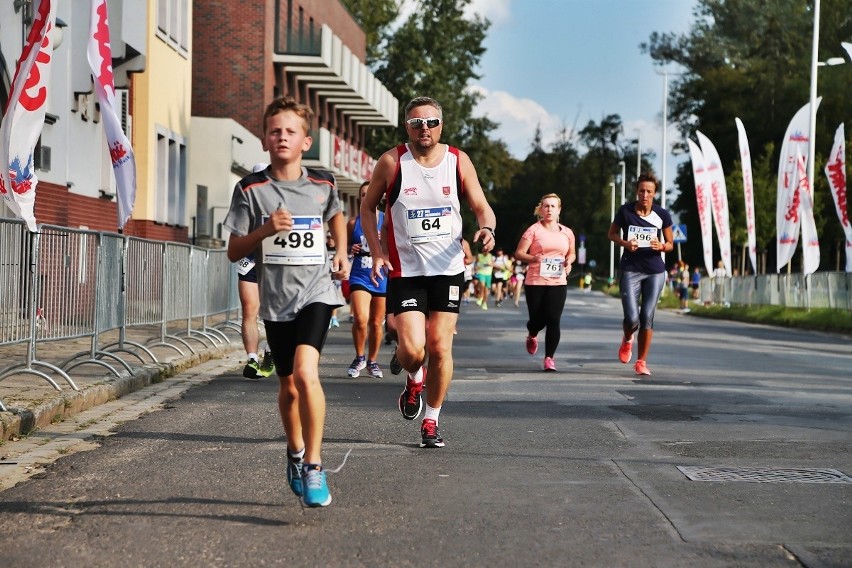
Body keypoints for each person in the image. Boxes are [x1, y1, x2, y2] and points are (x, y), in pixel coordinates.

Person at [224, 96, 349, 508]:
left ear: (305, 141)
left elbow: (336, 216)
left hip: (316, 293)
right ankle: (294, 450)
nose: (282, 137)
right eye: (275, 130)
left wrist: (342, 251)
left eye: (290, 131)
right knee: (288, 387)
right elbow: (232, 248)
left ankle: (314, 464)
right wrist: (265, 231)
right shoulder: (251, 189)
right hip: (277, 301)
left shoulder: (323, 184)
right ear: (264, 139)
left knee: (306, 374)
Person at [359, 96, 496, 448]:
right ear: (407, 126)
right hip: (406, 272)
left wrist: (487, 229)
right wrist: (376, 251)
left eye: (432, 122)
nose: (425, 128)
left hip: (448, 270)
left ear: (441, 125)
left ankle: (432, 421)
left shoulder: (457, 161)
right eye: (418, 123)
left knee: (440, 346)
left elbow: (481, 205)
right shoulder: (392, 162)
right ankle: (414, 378)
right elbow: (367, 206)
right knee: (411, 349)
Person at [607, 172, 674, 377]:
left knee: (647, 316)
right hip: (630, 269)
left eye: (649, 192)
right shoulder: (626, 211)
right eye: (642, 191)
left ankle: (641, 361)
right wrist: (626, 243)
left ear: (655, 194)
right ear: (637, 191)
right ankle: (628, 339)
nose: (645, 194)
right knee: (632, 318)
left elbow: (671, 244)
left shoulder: (662, 215)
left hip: (655, 271)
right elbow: (611, 234)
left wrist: (661, 246)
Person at [514, 194, 576, 372]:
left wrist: (569, 262)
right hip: (535, 281)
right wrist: (534, 258)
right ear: (541, 209)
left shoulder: (567, 232)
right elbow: (519, 253)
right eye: (546, 206)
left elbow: (571, 253)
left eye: (553, 206)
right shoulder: (533, 230)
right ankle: (532, 333)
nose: (549, 209)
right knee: (536, 319)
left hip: (558, 281)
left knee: (554, 319)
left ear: (559, 210)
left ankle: (549, 358)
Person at [237, 164, 275, 380]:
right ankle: (252, 358)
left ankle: (270, 352)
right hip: (249, 260)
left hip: (274, 263)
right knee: (249, 309)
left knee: (273, 313)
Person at [346, 181, 387, 378]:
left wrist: (383, 242)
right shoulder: (353, 223)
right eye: (362, 195)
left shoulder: (387, 221)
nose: (366, 198)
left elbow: (397, 250)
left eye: (369, 194)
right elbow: (345, 248)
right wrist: (350, 249)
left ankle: (372, 360)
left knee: (377, 323)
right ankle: (359, 357)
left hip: (381, 276)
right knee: (361, 319)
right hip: (360, 274)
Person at [326, 232, 342, 329]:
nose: (330, 240)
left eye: (332, 237)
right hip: (325, 277)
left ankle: (334, 317)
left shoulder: (339, 250)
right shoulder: (323, 248)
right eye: (328, 237)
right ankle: (328, 318)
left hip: (335, 277)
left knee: (334, 297)